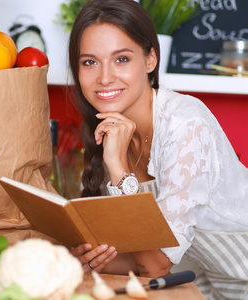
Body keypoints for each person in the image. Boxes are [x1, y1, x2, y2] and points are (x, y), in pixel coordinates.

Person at [67, 0, 248, 299]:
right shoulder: (114, 130)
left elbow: (154, 265)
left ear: (150, 60)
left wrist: (118, 168)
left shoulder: (185, 124)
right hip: (207, 281)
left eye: (121, 59)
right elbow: (141, 256)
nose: (104, 77)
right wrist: (89, 259)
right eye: (89, 62)